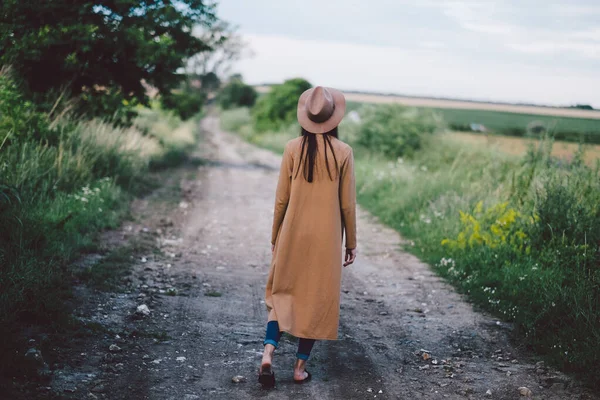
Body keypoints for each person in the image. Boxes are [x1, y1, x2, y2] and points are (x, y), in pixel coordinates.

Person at [258, 86, 357, 388]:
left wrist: (276, 235)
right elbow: (347, 204)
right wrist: (350, 242)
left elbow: (281, 199)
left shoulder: (291, 148)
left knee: (282, 294)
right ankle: (299, 369)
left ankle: (268, 353)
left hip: (292, 233)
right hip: (325, 241)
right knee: (316, 300)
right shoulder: (343, 152)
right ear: (333, 118)